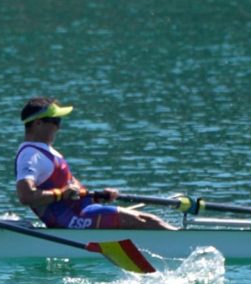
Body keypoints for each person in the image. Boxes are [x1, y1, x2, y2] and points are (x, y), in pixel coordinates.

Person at [14, 97, 176, 230]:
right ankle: (190, 249)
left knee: (147, 221)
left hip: (82, 212)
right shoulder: (30, 155)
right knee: (148, 221)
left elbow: (71, 192)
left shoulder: (47, 151)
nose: (59, 126)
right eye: (55, 120)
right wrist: (60, 194)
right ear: (38, 124)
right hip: (70, 221)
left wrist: (98, 198)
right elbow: (26, 196)